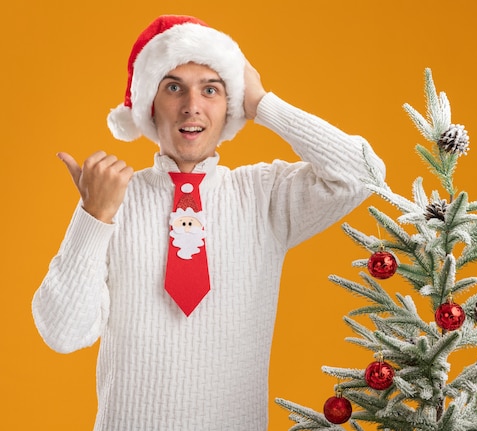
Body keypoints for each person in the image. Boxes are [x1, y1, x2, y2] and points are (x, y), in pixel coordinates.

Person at [32, 14, 385, 430]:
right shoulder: (112, 200)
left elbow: (363, 175)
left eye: (211, 89)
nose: (192, 106)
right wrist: (94, 216)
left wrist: (262, 103)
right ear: (149, 104)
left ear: (229, 106)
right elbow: (62, 332)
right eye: (173, 87)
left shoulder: (264, 195)